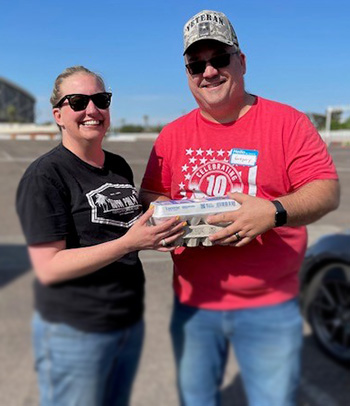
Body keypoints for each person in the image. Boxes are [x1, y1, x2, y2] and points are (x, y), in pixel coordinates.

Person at [140, 10, 340, 406]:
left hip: (268, 306)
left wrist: (273, 212)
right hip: (194, 305)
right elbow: (151, 192)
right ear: (187, 73)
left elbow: (326, 189)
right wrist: (165, 214)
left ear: (242, 61)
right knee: (197, 399)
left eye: (219, 59)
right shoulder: (172, 134)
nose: (209, 71)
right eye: (197, 64)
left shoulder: (287, 122)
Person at [16, 66, 184, 406]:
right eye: (78, 101)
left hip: (126, 323)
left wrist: (167, 225)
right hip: (76, 334)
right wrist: (130, 243)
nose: (92, 110)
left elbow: (125, 228)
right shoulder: (46, 177)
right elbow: (49, 267)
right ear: (58, 115)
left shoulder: (119, 165)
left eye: (100, 100)